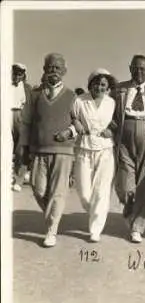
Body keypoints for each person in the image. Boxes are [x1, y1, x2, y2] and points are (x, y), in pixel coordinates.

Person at [18, 53, 77, 247]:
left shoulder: (71, 96)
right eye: (50, 67)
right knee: (38, 188)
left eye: (58, 68)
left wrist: (69, 133)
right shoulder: (34, 95)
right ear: (44, 70)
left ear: (64, 71)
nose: (54, 70)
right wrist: (25, 148)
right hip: (39, 150)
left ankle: (52, 230)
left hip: (63, 151)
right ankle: (54, 216)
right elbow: (26, 124)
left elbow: (80, 124)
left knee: (58, 192)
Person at [55, 69, 117, 242]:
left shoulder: (111, 102)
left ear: (108, 87)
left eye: (103, 84)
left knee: (102, 191)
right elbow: (72, 117)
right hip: (84, 148)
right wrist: (76, 123)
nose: (100, 87)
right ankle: (95, 211)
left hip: (105, 150)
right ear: (90, 84)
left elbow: (115, 121)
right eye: (96, 83)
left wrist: (110, 130)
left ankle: (95, 229)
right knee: (84, 192)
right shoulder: (80, 100)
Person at [112, 54, 145, 243]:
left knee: (144, 185)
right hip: (124, 138)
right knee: (125, 185)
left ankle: (137, 227)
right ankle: (128, 205)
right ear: (130, 68)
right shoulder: (119, 89)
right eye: (136, 68)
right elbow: (107, 111)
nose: (139, 71)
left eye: (143, 69)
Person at [11, 63, 32, 192]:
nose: (17, 76)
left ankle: (19, 178)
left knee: (21, 149)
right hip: (6, 114)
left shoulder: (27, 87)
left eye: (20, 74)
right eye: (15, 73)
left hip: (20, 116)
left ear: (24, 75)